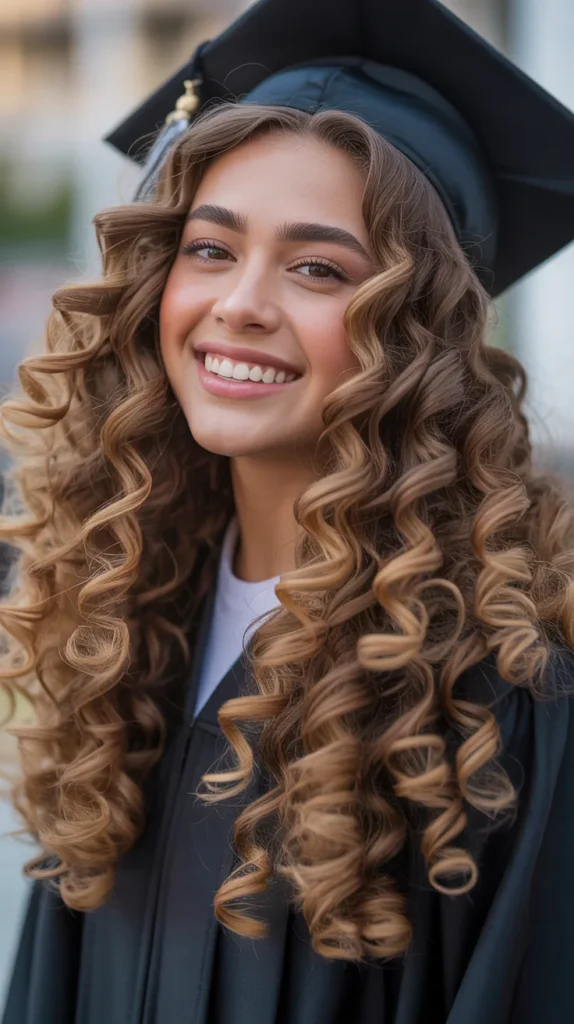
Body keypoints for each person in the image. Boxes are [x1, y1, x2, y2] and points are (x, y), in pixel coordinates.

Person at [2, 0, 574, 1020]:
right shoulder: (126, 635)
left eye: (318, 268)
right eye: (210, 248)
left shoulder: (496, 701)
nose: (241, 303)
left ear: (418, 331)